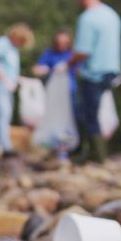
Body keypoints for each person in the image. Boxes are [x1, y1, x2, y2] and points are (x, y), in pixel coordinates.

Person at [68, 0, 121, 162]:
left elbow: (83, 51)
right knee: (98, 112)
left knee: (89, 114)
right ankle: (95, 153)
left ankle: (98, 157)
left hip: (94, 73)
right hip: (111, 70)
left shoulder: (88, 18)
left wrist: (69, 63)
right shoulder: (112, 14)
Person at [0, 23, 34, 160]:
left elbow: (9, 69)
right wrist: (4, 80)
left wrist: (19, 79)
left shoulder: (13, 49)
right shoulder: (1, 43)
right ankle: (6, 148)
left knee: (4, 117)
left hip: (7, 87)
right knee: (4, 114)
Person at [33, 30, 79, 160]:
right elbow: (37, 68)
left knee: (69, 121)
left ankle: (68, 150)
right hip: (53, 94)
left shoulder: (73, 54)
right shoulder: (49, 53)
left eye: (64, 43)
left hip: (70, 92)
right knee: (54, 122)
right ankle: (54, 149)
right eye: (59, 43)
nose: (61, 45)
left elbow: (80, 69)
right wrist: (43, 70)